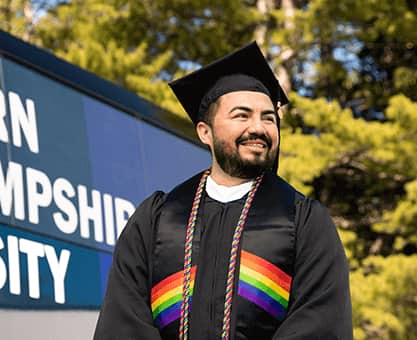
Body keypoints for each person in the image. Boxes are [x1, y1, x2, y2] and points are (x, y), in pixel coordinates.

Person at [93, 42, 352, 340]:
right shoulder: (158, 219)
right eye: (242, 115)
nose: (259, 127)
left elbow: (319, 324)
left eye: (268, 118)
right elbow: (123, 321)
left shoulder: (303, 220)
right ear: (205, 132)